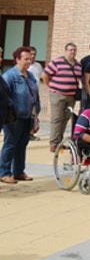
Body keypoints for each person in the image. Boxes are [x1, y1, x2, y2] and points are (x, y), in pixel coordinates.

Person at [1, 47, 40, 184]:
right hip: (13, 117)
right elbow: (4, 96)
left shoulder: (30, 76)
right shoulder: (10, 76)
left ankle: (19, 171)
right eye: (26, 59)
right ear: (17, 59)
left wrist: (36, 116)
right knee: (10, 143)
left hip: (28, 116)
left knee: (22, 144)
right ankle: (4, 172)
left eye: (30, 59)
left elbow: (35, 97)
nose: (29, 61)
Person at [42, 42, 82, 152]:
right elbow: (45, 75)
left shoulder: (78, 65)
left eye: (74, 50)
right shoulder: (57, 62)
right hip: (57, 95)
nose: (73, 52)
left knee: (65, 118)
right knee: (57, 119)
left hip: (71, 97)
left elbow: (78, 80)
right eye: (70, 50)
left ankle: (59, 142)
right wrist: (50, 87)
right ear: (65, 51)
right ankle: (53, 143)